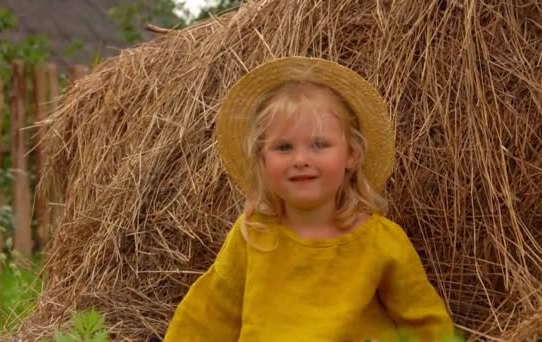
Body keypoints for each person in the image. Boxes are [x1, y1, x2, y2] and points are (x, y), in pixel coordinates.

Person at [164, 57, 454, 341]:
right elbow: (212, 314)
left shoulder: (381, 242)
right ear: (262, 160)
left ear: (351, 155)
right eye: (284, 147)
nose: (300, 159)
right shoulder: (253, 234)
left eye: (319, 144)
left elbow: (423, 320)